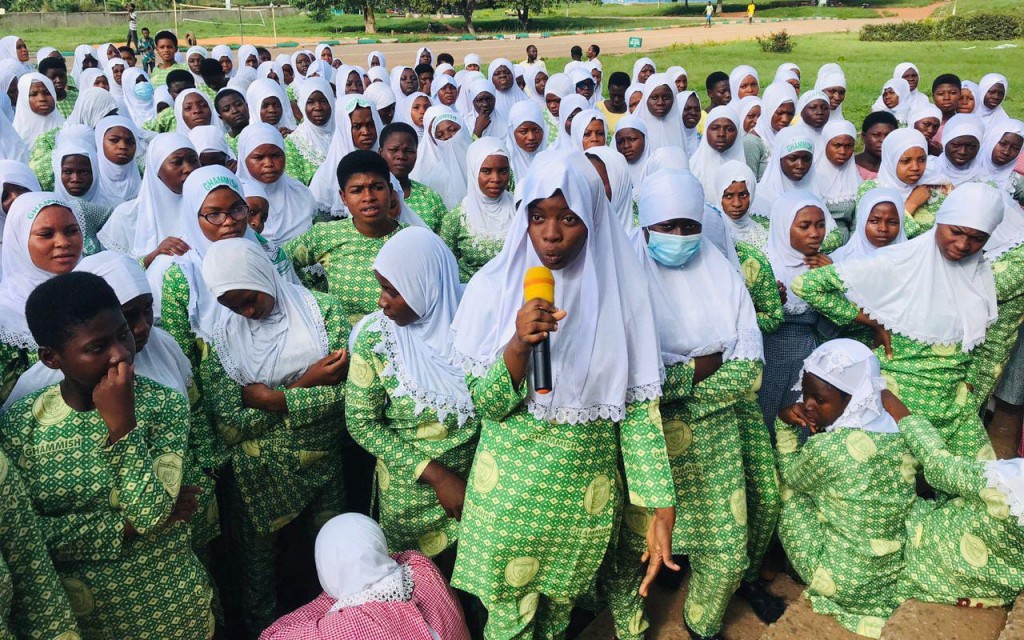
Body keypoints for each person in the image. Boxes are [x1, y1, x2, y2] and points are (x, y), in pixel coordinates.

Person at [450, 147, 678, 638]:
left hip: (582, 501)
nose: (551, 234)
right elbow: (487, 406)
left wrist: (661, 507)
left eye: (569, 218)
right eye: (538, 217)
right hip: (509, 497)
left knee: (557, 621)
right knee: (507, 625)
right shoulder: (493, 290)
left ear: (593, 219)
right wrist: (517, 345)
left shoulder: (623, 294)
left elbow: (639, 414)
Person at [3, 270, 214, 637]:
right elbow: (23, 538)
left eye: (122, 334)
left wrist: (123, 427)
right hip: (86, 618)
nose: (121, 353)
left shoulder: (162, 404)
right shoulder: (21, 425)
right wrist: (122, 528)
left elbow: (149, 514)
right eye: (97, 347)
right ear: (51, 357)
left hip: (171, 603)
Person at [628, 168, 764, 640]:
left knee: (725, 551)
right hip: (648, 445)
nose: (680, 236)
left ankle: (702, 623)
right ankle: (632, 624)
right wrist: (706, 365)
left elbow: (748, 372)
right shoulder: (626, 278)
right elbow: (627, 380)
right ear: (646, 224)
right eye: (667, 225)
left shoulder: (721, 274)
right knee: (636, 550)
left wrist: (673, 385)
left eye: (689, 225)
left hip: (715, 443)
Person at [196, 236, 349, 636]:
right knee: (257, 568)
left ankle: (339, 626)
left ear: (263, 275)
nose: (248, 312)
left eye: (251, 299)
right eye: (234, 306)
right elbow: (230, 423)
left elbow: (346, 398)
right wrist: (306, 383)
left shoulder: (322, 312)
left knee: (333, 552)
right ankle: (262, 630)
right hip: (259, 475)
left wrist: (271, 399)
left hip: (322, 457)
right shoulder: (222, 338)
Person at [793, 183, 1004, 459]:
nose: (963, 245)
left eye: (977, 238)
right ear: (940, 222)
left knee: (983, 478)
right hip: (895, 403)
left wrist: (968, 387)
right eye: (955, 231)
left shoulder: (979, 276)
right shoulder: (897, 261)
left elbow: (978, 340)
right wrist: (873, 322)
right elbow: (806, 285)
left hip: (954, 407)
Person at [346, 226, 479, 566]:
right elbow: (362, 424)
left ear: (428, 286)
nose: (381, 301)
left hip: (477, 490)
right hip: (409, 497)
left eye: (393, 291)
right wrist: (436, 474)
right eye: (382, 288)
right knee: (417, 583)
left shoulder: (478, 329)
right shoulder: (376, 339)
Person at [776, 339, 920, 639]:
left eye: (820, 399)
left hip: (838, 581)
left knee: (788, 489)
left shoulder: (829, 448)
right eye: (805, 393)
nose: (808, 405)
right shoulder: (899, 430)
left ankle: (786, 565)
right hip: (887, 577)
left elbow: (793, 476)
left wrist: (783, 424)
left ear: (854, 398)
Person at [260, 514, 471, 640]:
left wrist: (343, 584)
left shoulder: (343, 628)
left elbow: (270, 636)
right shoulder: (422, 569)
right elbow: (397, 557)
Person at [896, 414, 1024, 609]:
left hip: (931, 563)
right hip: (991, 592)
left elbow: (941, 467)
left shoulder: (1011, 481)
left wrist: (906, 418)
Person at [758, 190, 835, 429]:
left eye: (820, 225)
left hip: (807, 358)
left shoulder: (824, 265)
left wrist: (831, 280)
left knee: (801, 423)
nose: (815, 234)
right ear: (783, 227)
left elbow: (834, 327)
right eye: (804, 226)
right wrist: (767, 303)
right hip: (768, 359)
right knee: (765, 419)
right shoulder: (763, 267)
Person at [99, 133, 199, 263]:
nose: (188, 169)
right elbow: (114, 268)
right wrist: (153, 257)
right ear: (156, 170)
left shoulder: (208, 209)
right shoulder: (127, 217)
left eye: (193, 160)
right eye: (177, 162)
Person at [440, 137, 514, 283]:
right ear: (473, 172)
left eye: (503, 171)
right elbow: (446, 267)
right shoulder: (456, 218)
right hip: (469, 292)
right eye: (486, 171)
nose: (496, 179)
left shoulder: (521, 209)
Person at [856, 128, 948, 239]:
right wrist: (911, 204)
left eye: (922, 160)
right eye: (905, 161)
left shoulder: (935, 189)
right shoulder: (871, 190)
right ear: (891, 160)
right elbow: (873, 236)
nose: (915, 167)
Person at [379, 122, 448, 233]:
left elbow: (444, 240)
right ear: (380, 152)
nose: (401, 156)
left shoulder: (430, 198)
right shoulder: (370, 196)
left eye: (409, 151)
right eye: (394, 150)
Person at [411, 107, 471, 211]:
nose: (447, 137)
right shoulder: (431, 176)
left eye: (452, 130)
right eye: (439, 135)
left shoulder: (483, 160)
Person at [813, 119, 861, 241]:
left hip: (847, 243)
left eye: (848, 146)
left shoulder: (856, 181)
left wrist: (851, 248)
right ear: (825, 144)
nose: (843, 152)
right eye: (837, 145)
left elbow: (858, 225)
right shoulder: (811, 178)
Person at [283, 77, 333, 186]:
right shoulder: (292, 144)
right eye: (310, 102)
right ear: (302, 105)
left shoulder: (344, 135)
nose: (318, 107)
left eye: (324, 101)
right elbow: (296, 188)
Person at [854, 111, 898, 181]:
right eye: (876, 135)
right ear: (863, 137)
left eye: (888, 135)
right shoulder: (850, 166)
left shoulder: (898, 168)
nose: (883, 140)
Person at [598, 71, 629, 137]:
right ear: (608, 89)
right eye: (613, 95)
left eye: (620, 96)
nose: (616, 99)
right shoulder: (598, 108)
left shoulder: (631, 111)